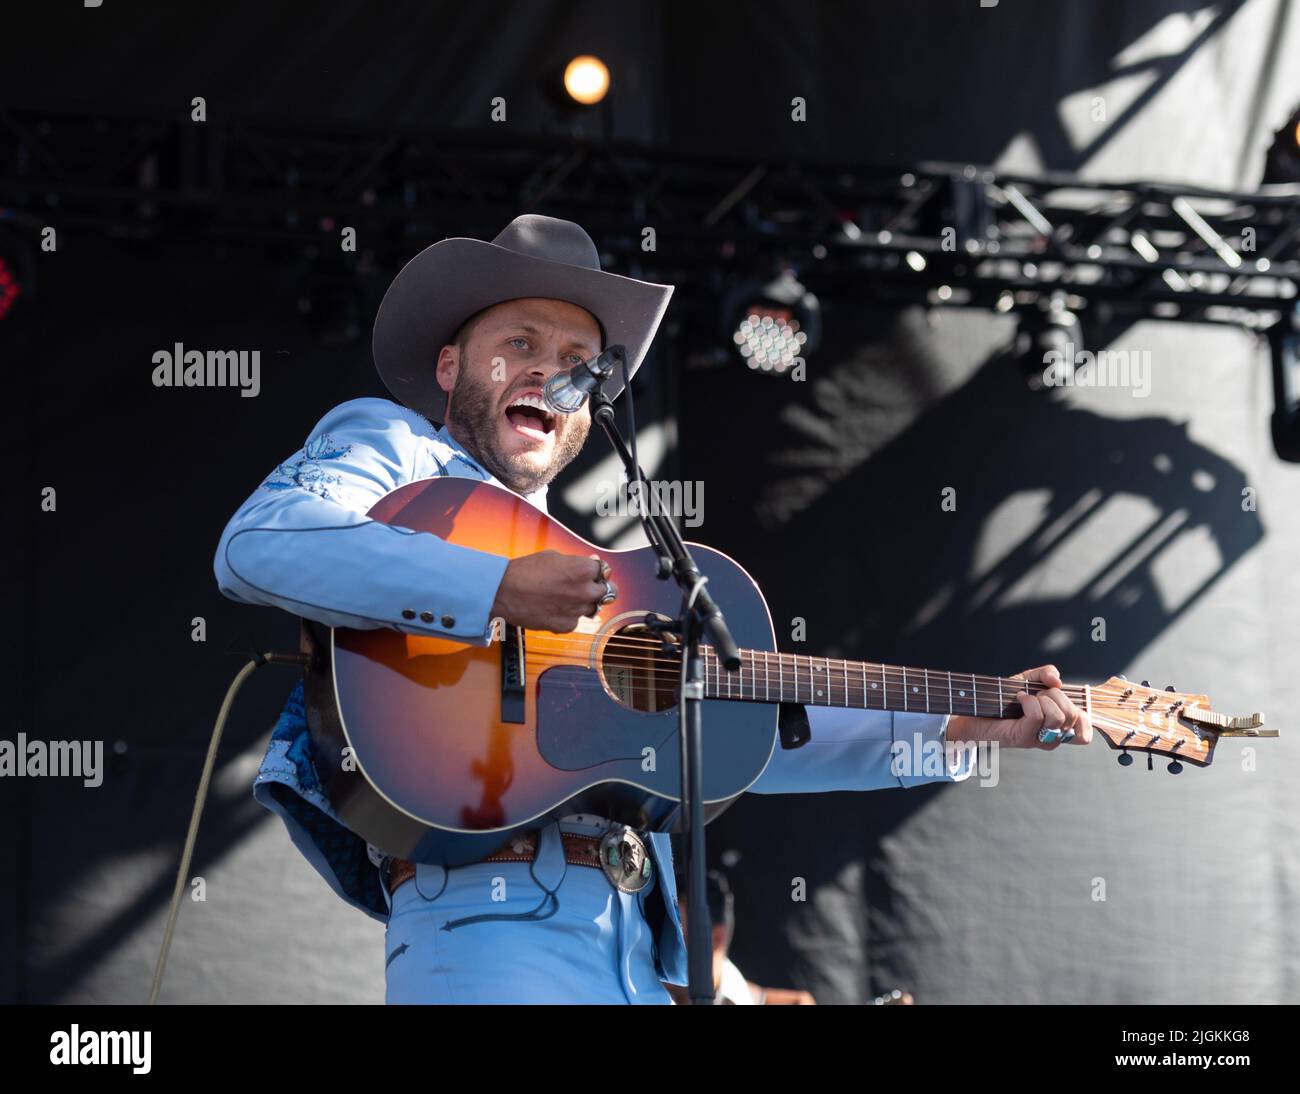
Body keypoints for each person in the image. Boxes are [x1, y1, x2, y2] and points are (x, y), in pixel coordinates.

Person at [213, 214, 1092, 1004]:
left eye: (573, 366)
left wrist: (962, 732)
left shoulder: (594, 573)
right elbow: (261, 542)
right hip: (485, 925)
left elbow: (746, 737)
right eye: (518, 343)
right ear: (449, 366)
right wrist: (490, 589)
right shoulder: (394, 446)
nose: (547, 374)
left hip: (638, 949)